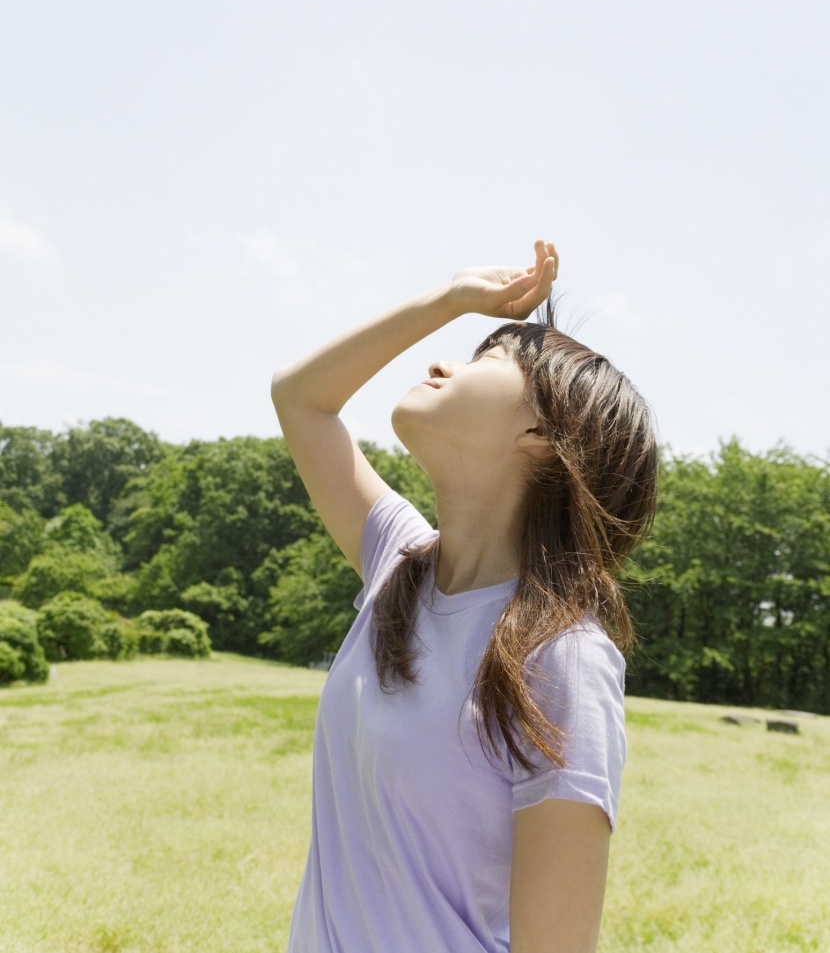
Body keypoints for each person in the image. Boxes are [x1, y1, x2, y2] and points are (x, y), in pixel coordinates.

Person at [270, 239, 658, 953]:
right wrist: (445, 299)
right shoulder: (398, 562)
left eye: (486, 358)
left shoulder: (563, 658)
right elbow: (301, 397)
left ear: (541, 433)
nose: (443, 361)